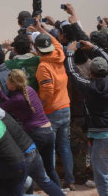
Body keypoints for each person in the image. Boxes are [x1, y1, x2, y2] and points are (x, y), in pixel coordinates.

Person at [65, 40, 108, 196]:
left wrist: (70, 53)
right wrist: (95, 48)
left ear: (91, 73)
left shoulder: (88, 86)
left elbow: (72, 72)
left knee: (103, 177)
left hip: (102, 137)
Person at [0, 69, 62, 187]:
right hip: (48, 132)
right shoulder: (29, 90)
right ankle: (59, 191)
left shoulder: (18, 99)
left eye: (8, 82)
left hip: (36, 133)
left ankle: (27, 191)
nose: (6, 84)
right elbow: (11, 103)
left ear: (13, 84)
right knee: (49, 168)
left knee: (23, 169)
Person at [33, 32, 75, 189]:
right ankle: (70, 181)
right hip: (66, 107)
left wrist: (40, 107)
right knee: (65, 146)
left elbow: (47, 91)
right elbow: (56, 41)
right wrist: (41, 29)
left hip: (52, 111)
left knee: (49, 149)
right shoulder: (59, 55)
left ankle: (49, 182)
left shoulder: (43, 66)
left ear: (36, 50)